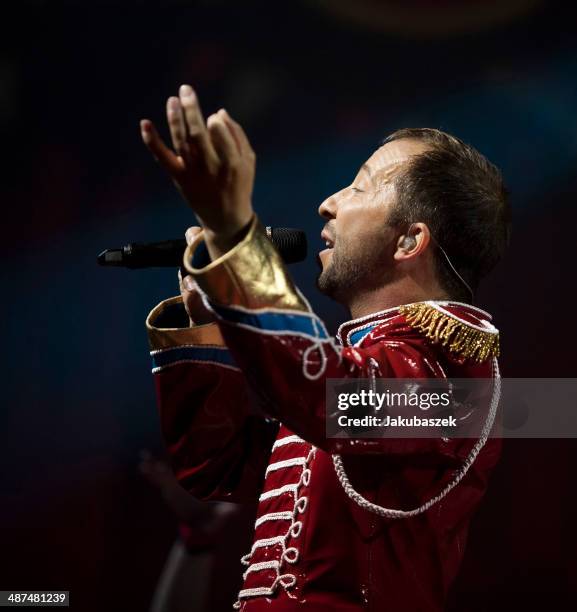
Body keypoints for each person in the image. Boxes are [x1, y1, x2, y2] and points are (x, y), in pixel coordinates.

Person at [141, 84, 511, 611]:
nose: (327, 204)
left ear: (409, 241)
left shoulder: (457, 386)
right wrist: (209, 322)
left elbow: (332, 400)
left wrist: (238, 243)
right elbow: (215, 467)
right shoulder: (364, 371)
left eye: (359, 188)